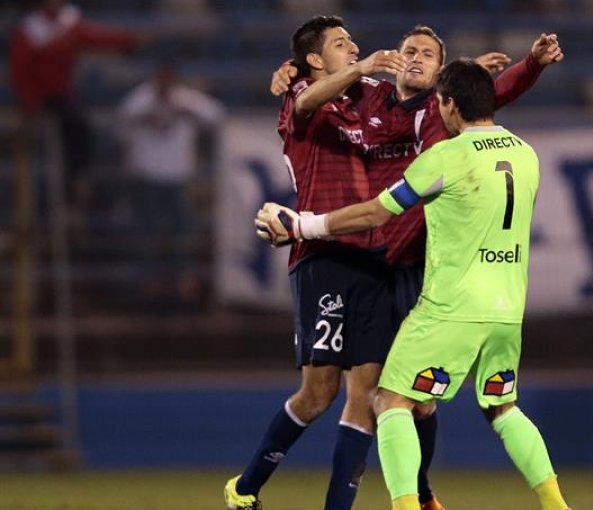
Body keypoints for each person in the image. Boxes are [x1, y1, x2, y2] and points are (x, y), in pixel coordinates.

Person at [268, 25, 563, 509]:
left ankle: (412, 501)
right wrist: (294, 71)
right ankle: (553, 504)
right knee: (495, 407)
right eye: (409, 51)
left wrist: (302, 226)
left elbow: (376, 211)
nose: (416, 58)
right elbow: (318, 91)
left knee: (389, 401)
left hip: (434, 287)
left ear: (446, 100)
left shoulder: (442, 151)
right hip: (503, 304)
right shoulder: (524, 153)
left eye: (429, 54)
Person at [223, 16, 407, 510]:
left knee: (366, 393)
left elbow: (423, 90)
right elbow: (305, 100)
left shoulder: (367, 99)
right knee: (318, 394)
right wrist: (359, 67)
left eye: (354, 41)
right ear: (313, 60)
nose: (354, 47)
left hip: (374, 257)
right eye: (341, 44)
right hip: (321, 256)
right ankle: (244, 488)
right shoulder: (301, 96)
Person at [8, 0, 140, 205]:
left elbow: (96, 37)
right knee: (65, 135)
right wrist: (31, 103)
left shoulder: (68, 22)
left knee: (80, 132)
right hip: (41, 97)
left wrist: (126, 40)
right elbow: (20, 72)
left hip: (63, 94)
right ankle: (55, 194)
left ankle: (76, 181)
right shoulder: (30, 30)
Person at [117, 62, 224, 303]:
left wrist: (186, 109)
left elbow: (217, 116)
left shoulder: (186, 98)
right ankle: (149, 280)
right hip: (147, 176)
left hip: (178, 176)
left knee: (181, 231)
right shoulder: (141, 98)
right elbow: (121, 125)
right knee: (148, 232)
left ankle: (184, 279)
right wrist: (148, 114)